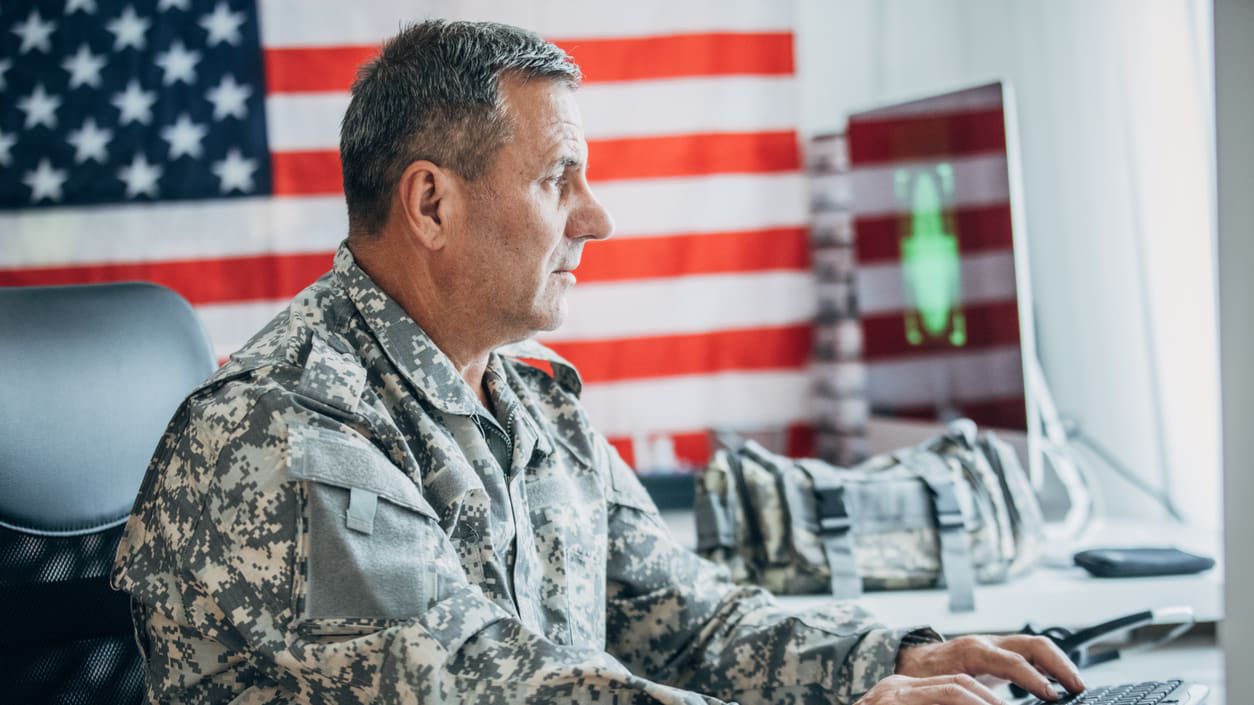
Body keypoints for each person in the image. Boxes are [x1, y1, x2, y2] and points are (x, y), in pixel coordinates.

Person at [112, 19, 1086, 705]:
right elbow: (481, 684)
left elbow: (692, 626)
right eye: (555, 179)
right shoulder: (278, 431)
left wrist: (899, 659)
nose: (599, 217)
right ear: (432, 204)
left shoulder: (532, 402)